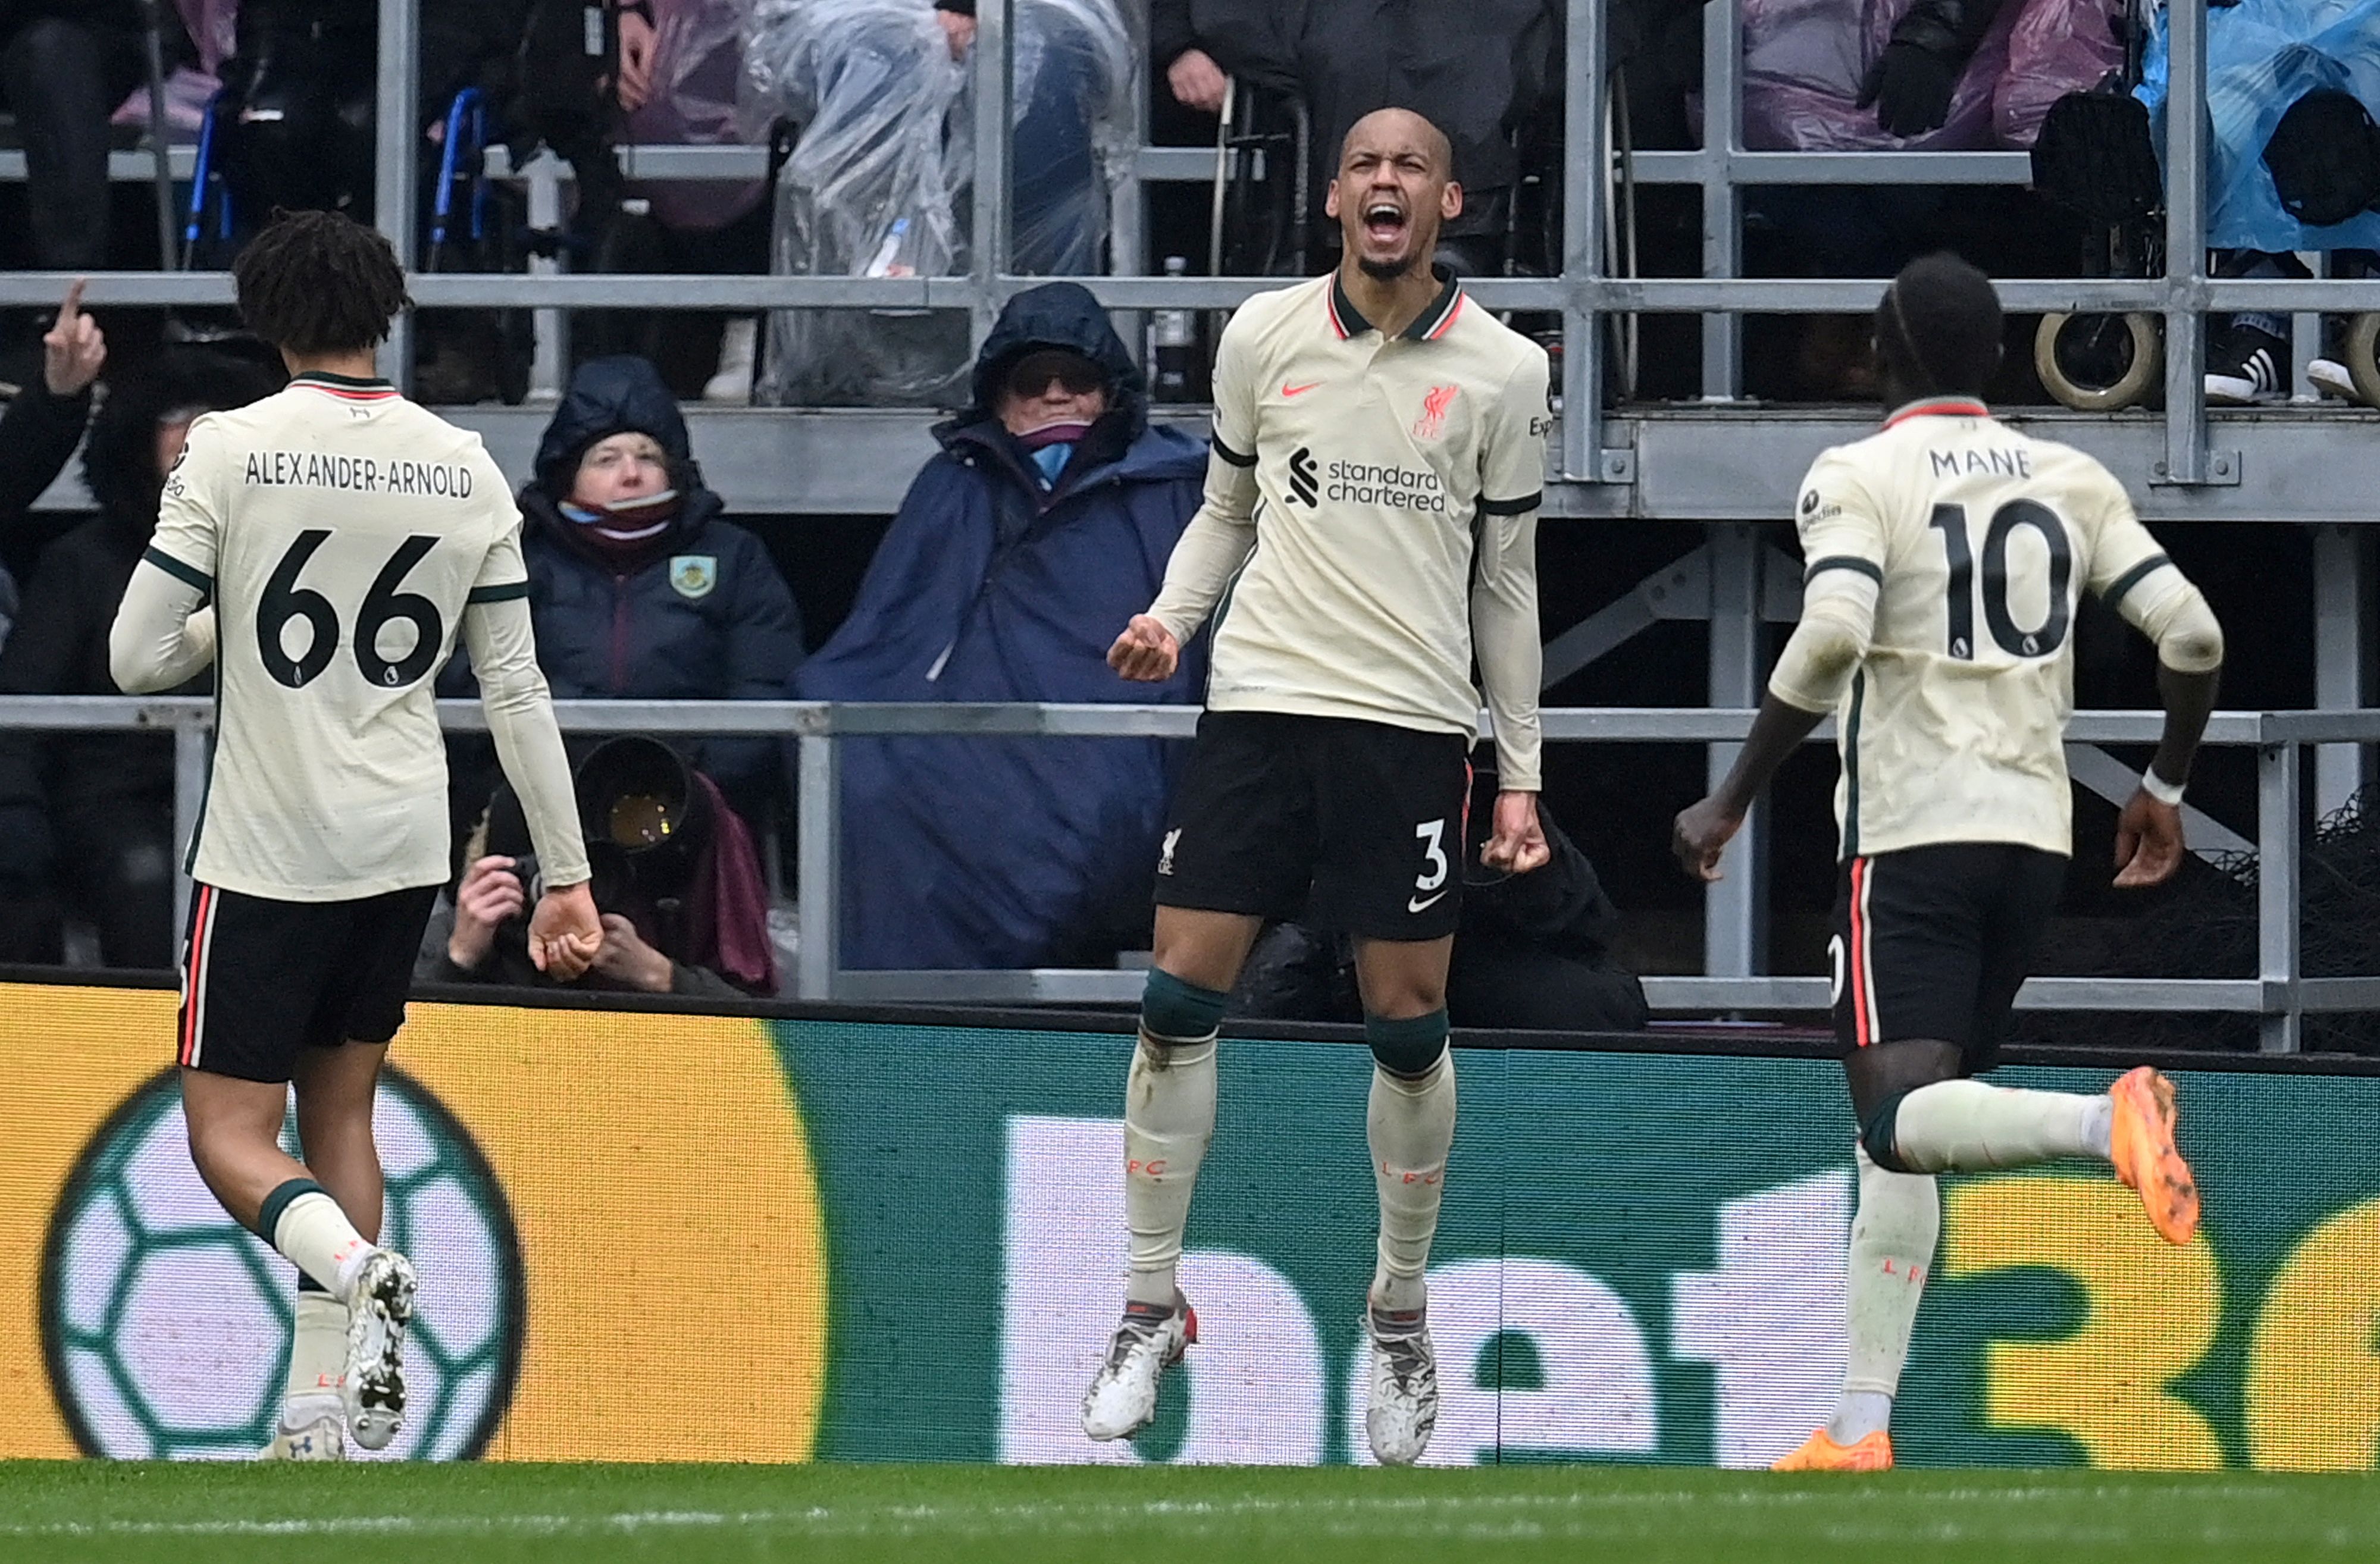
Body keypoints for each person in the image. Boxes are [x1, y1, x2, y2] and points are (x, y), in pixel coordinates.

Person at [1670, 252, 2225, 1473]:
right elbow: (2191, 633)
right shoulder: (2071, 476)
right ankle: (1858, 1422)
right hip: (2032, 840)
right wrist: (2166, 786)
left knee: (1895, 1113)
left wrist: (1731, 794)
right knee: (1908, 1128)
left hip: (1910, 835)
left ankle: (2105, 1122)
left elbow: (1831, 636)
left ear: (1881, 352)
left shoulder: (1858, 474)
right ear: (1997, 357)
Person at [1089, 108, 1551, 1466]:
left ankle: (1399, 1310)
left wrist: (1517, 775)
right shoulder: (1262, 335)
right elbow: (1226, 510)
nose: (1384, 182)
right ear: (1335, 197)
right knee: (1178, 999)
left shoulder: (1505, 370)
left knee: (1405, 1021)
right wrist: (1172, 617)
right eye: (1364, 166)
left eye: (1410, 166)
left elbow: (1508, 586)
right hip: (1260, 707)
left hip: (1408, 726)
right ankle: (1148, 1303)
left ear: (1448, 200)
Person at [108, 209, 601, 1463]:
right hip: (400, 841)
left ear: (263, 318)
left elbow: (135, 659)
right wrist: (568, 875)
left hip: (271, 843)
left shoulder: (231, 447)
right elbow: (516, 690)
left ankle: (357, 1268)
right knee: (344, 1119)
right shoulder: (464, 464)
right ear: (387, 312)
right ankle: (319, 1408)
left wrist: (228, 615)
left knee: (229, 1133)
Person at [793, 280, 1207, 970]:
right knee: (859, 776)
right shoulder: (955, 482)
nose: (1055, 396)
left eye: (1075, 379)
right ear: (999, 399)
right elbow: (890, 638)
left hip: (1121, 754)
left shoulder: (1174, 487)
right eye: (1032, 381)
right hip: (979, 748)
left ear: (1109, 393)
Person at [0, 336, 283, 969]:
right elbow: (21, 705)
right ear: (137, 437)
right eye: (177, 417)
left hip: (259, 794)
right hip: (112, 799)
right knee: (146, 880)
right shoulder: (83, 561)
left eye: (220, 419)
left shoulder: (289, 562)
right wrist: (16, 814)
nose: (198, 435)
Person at [440, 354, 804, 835]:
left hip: (692, 803)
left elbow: (765, 686)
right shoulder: (517, 557)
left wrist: (689, 779)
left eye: (648, 457)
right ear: (568, 475)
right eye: (606, 459)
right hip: (540, 797)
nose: (631, 474)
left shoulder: (734, 557)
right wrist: (566, 758)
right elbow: (468, 679)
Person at [425, 735, 776, 998]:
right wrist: (460, 958)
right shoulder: (478, 924)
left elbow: (770, 1042)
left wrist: (663, 976)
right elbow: (404, 1058)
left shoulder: (675, 920)